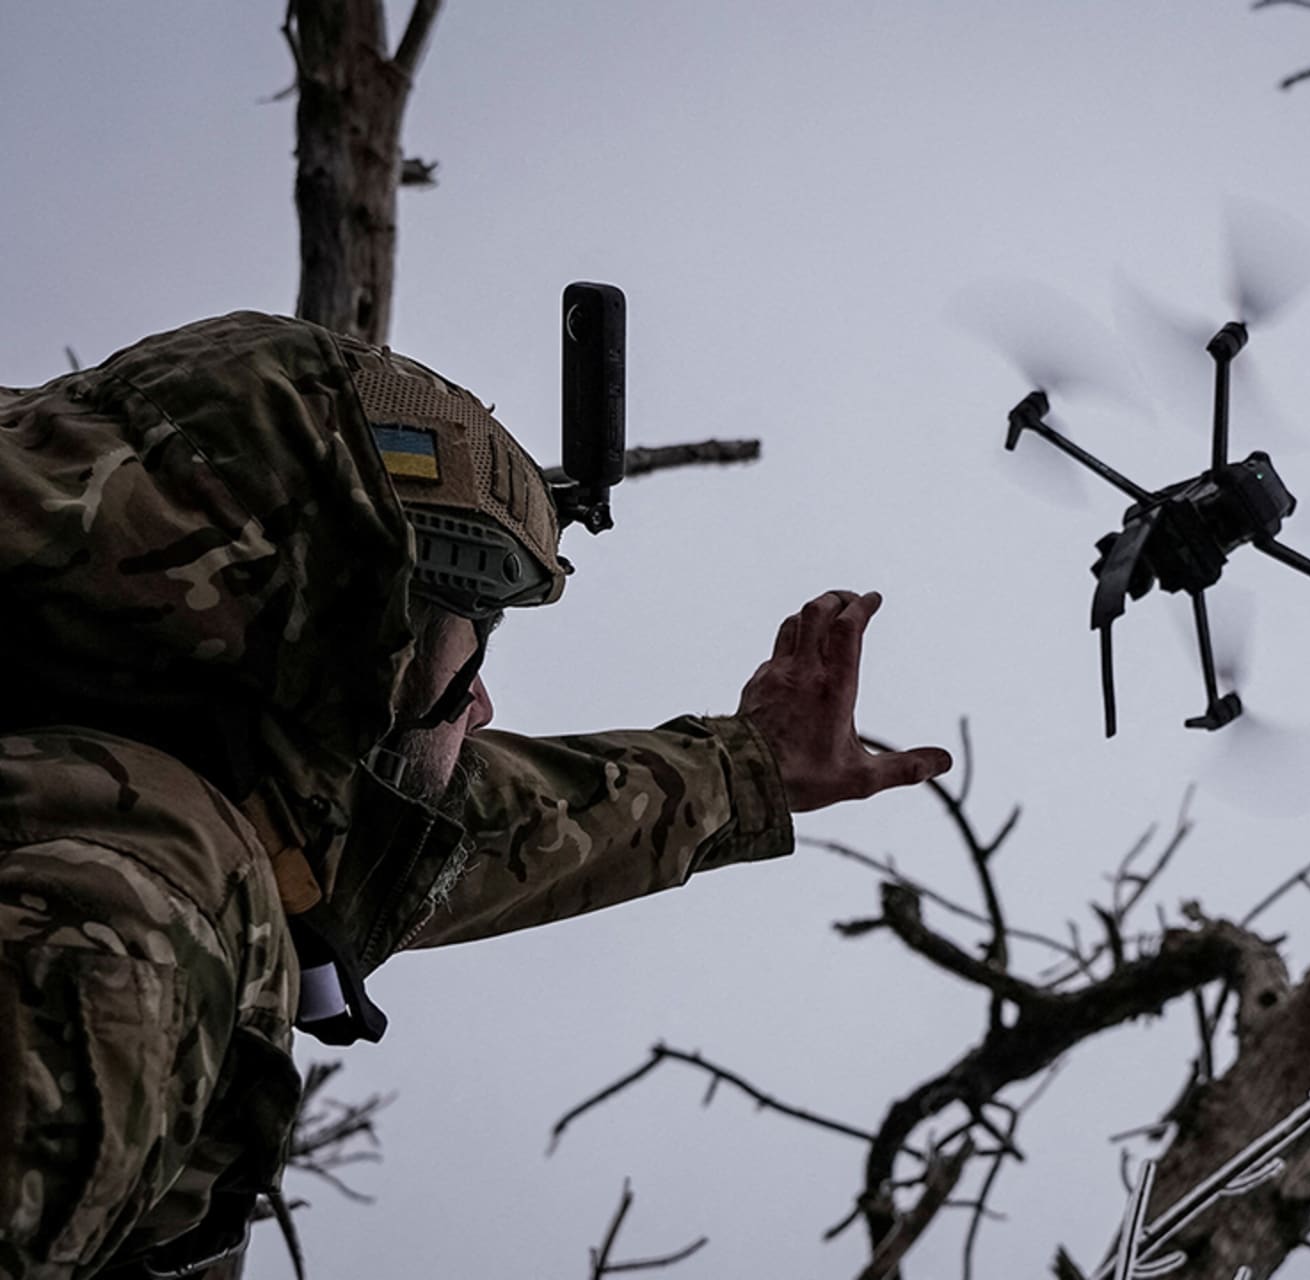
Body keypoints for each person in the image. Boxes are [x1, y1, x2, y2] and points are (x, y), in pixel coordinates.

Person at [0, 311, 952, 1279]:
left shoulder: (109, 755)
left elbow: (448, 824)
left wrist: (748, 768)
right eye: (473, 635)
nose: (484, 705)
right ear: (359, 626)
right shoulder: (119, 899)